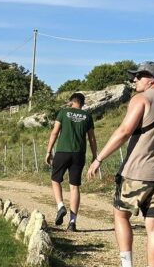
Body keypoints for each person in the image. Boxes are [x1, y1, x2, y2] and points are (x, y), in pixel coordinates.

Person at [87, 61, 154, 267]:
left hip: (137, 171)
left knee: (120, 216)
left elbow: (124, 131)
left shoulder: (141, 99)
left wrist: (99, 158)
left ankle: (126, 264)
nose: (134, 80)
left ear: (151, 80)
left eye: (139, 76)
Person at [44, 92, 97, 232]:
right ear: (82, 103)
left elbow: (54, 132)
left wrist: (49, 151)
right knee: (74, 187)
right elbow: (91, 138)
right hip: (79, 154)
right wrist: (95, 156)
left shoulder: (63, 112)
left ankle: (61, 206)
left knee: (55, 180)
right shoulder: (88, 116)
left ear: (71, 101)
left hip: (62, 152)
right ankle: (72, 222)